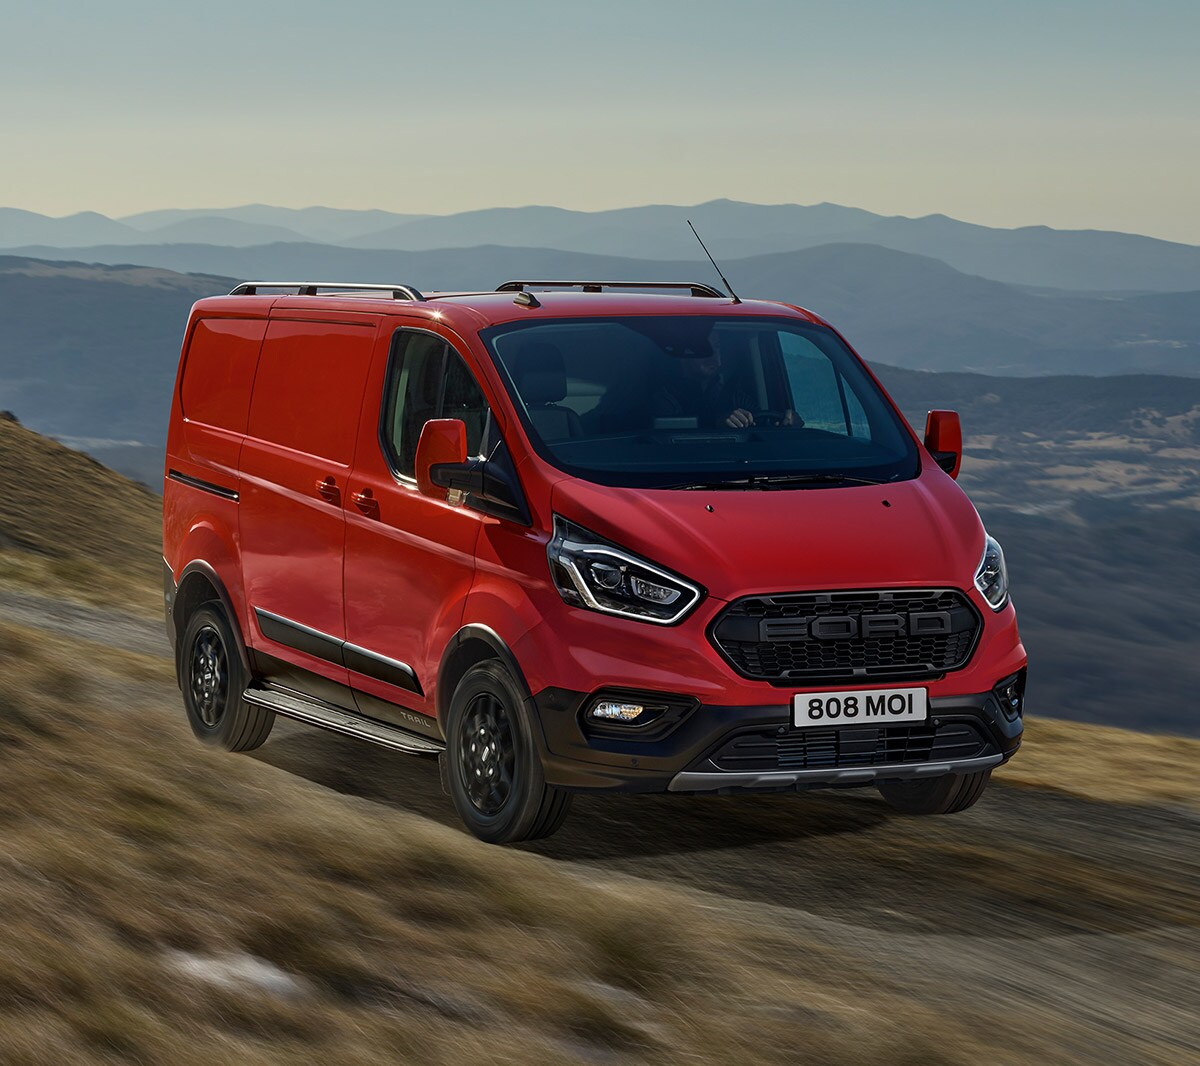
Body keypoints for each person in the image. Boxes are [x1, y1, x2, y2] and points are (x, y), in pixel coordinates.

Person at [652, 330, 757, 429]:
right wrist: (717, 424)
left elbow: (761, 417)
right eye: (703, 347)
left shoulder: (735, 397)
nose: (713, 355)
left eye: (717, 346)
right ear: (681, 354)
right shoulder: (665, 401)